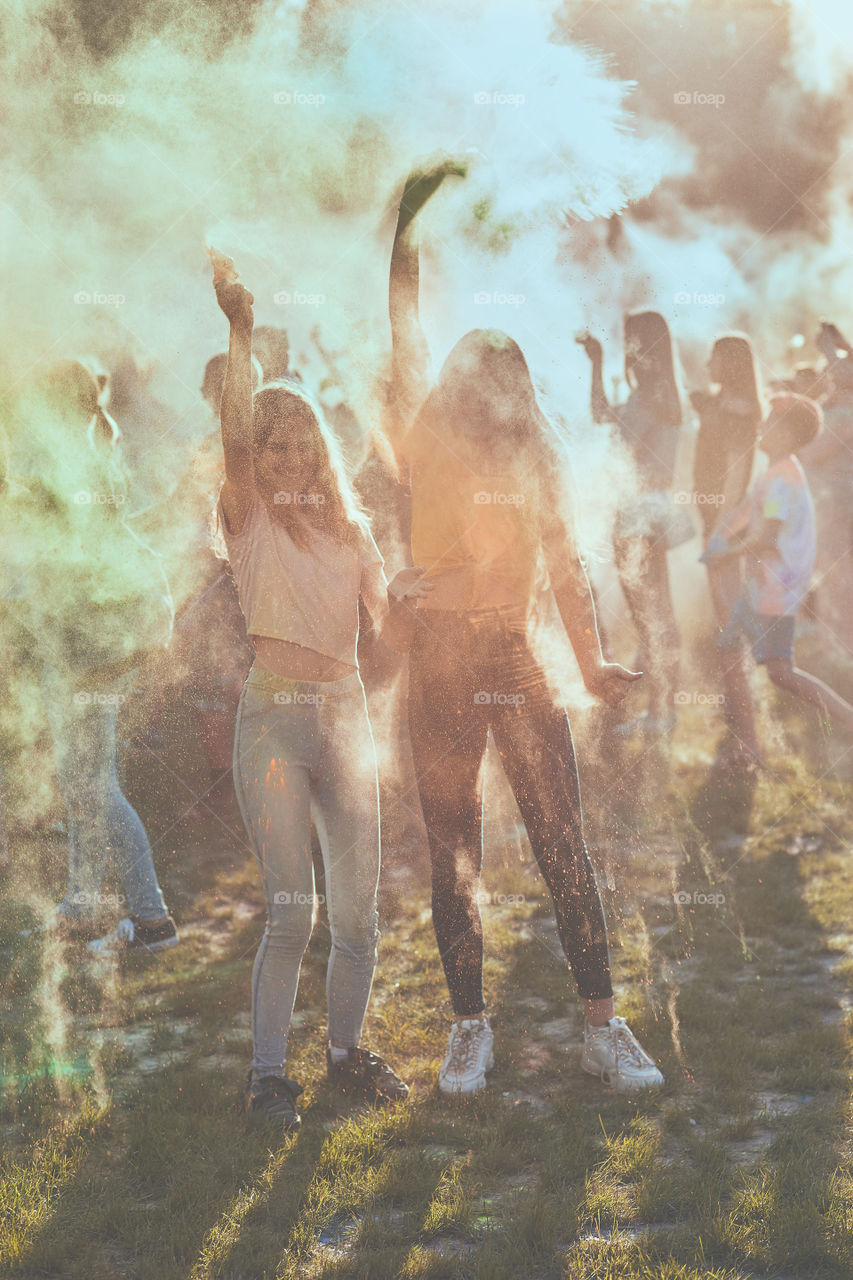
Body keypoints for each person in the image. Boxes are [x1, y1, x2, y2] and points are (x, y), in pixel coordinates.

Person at [386, 165, 665, 1096]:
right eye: (480, 375)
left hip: (511, 655)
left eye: (508, 377)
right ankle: (470, 1030)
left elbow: (568, 568)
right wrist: (409, 222)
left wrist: (591, 669)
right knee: (451, 851)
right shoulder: (424, 437)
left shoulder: (540, 459)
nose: (493, 391)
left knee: (563, 848)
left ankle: (603, 1026)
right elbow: (404, 326)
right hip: (437, 670)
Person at [211, 255, 429, 1131]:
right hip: (273, 722)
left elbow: (390, 640)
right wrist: (237, 332)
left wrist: (410, 603)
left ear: (320, 450)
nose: (291, 454)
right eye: (275, 444)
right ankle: (269, 1075)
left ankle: (343, 1056)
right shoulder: (248, 518)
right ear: (256, 460)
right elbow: (228, 431)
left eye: (303, 441)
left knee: (357, 912)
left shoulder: (352, 531)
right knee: (291, 913)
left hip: (345, 721)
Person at [10, 359, 178, 955]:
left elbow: (60, 531)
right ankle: (84, 904)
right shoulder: (86, 461)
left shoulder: (80, 467)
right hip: (80, 646)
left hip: (89, 648)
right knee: (83, 782)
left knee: (94, 786)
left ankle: (153, 920)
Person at [703, 393, 853, 744]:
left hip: (775, 590)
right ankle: (747, 743)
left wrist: (723, 554)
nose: (761, 425)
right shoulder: (776, 473)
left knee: (777, 671)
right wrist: (720, 536)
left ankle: (844, 718)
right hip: (766, 587)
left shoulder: (783, 478)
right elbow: (747, 509)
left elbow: (767, 536)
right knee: (745, 655)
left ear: (786, 435)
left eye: (769, 421)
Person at [579, 314, 693, 737]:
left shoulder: (647, 395)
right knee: (659, 614)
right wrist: (597, 363)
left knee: (649, 618)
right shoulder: (662, 392)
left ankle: (659, 715)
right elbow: (603, 415)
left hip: (637, 516)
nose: (629, 349)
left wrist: (597, 363)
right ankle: (664, 713)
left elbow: (616, 440)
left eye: (632, 341)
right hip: (657, 511)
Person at [690, 334, 764, 760]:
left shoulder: (738, 409)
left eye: (713, 356)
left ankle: (747, 743)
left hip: (725, 526)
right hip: (717, 523)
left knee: (730, 632)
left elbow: (737, 474)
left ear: (730, 362)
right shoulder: (725, 403)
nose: (706, 363)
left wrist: (720, 531)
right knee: (726, 630)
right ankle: (739, 732)